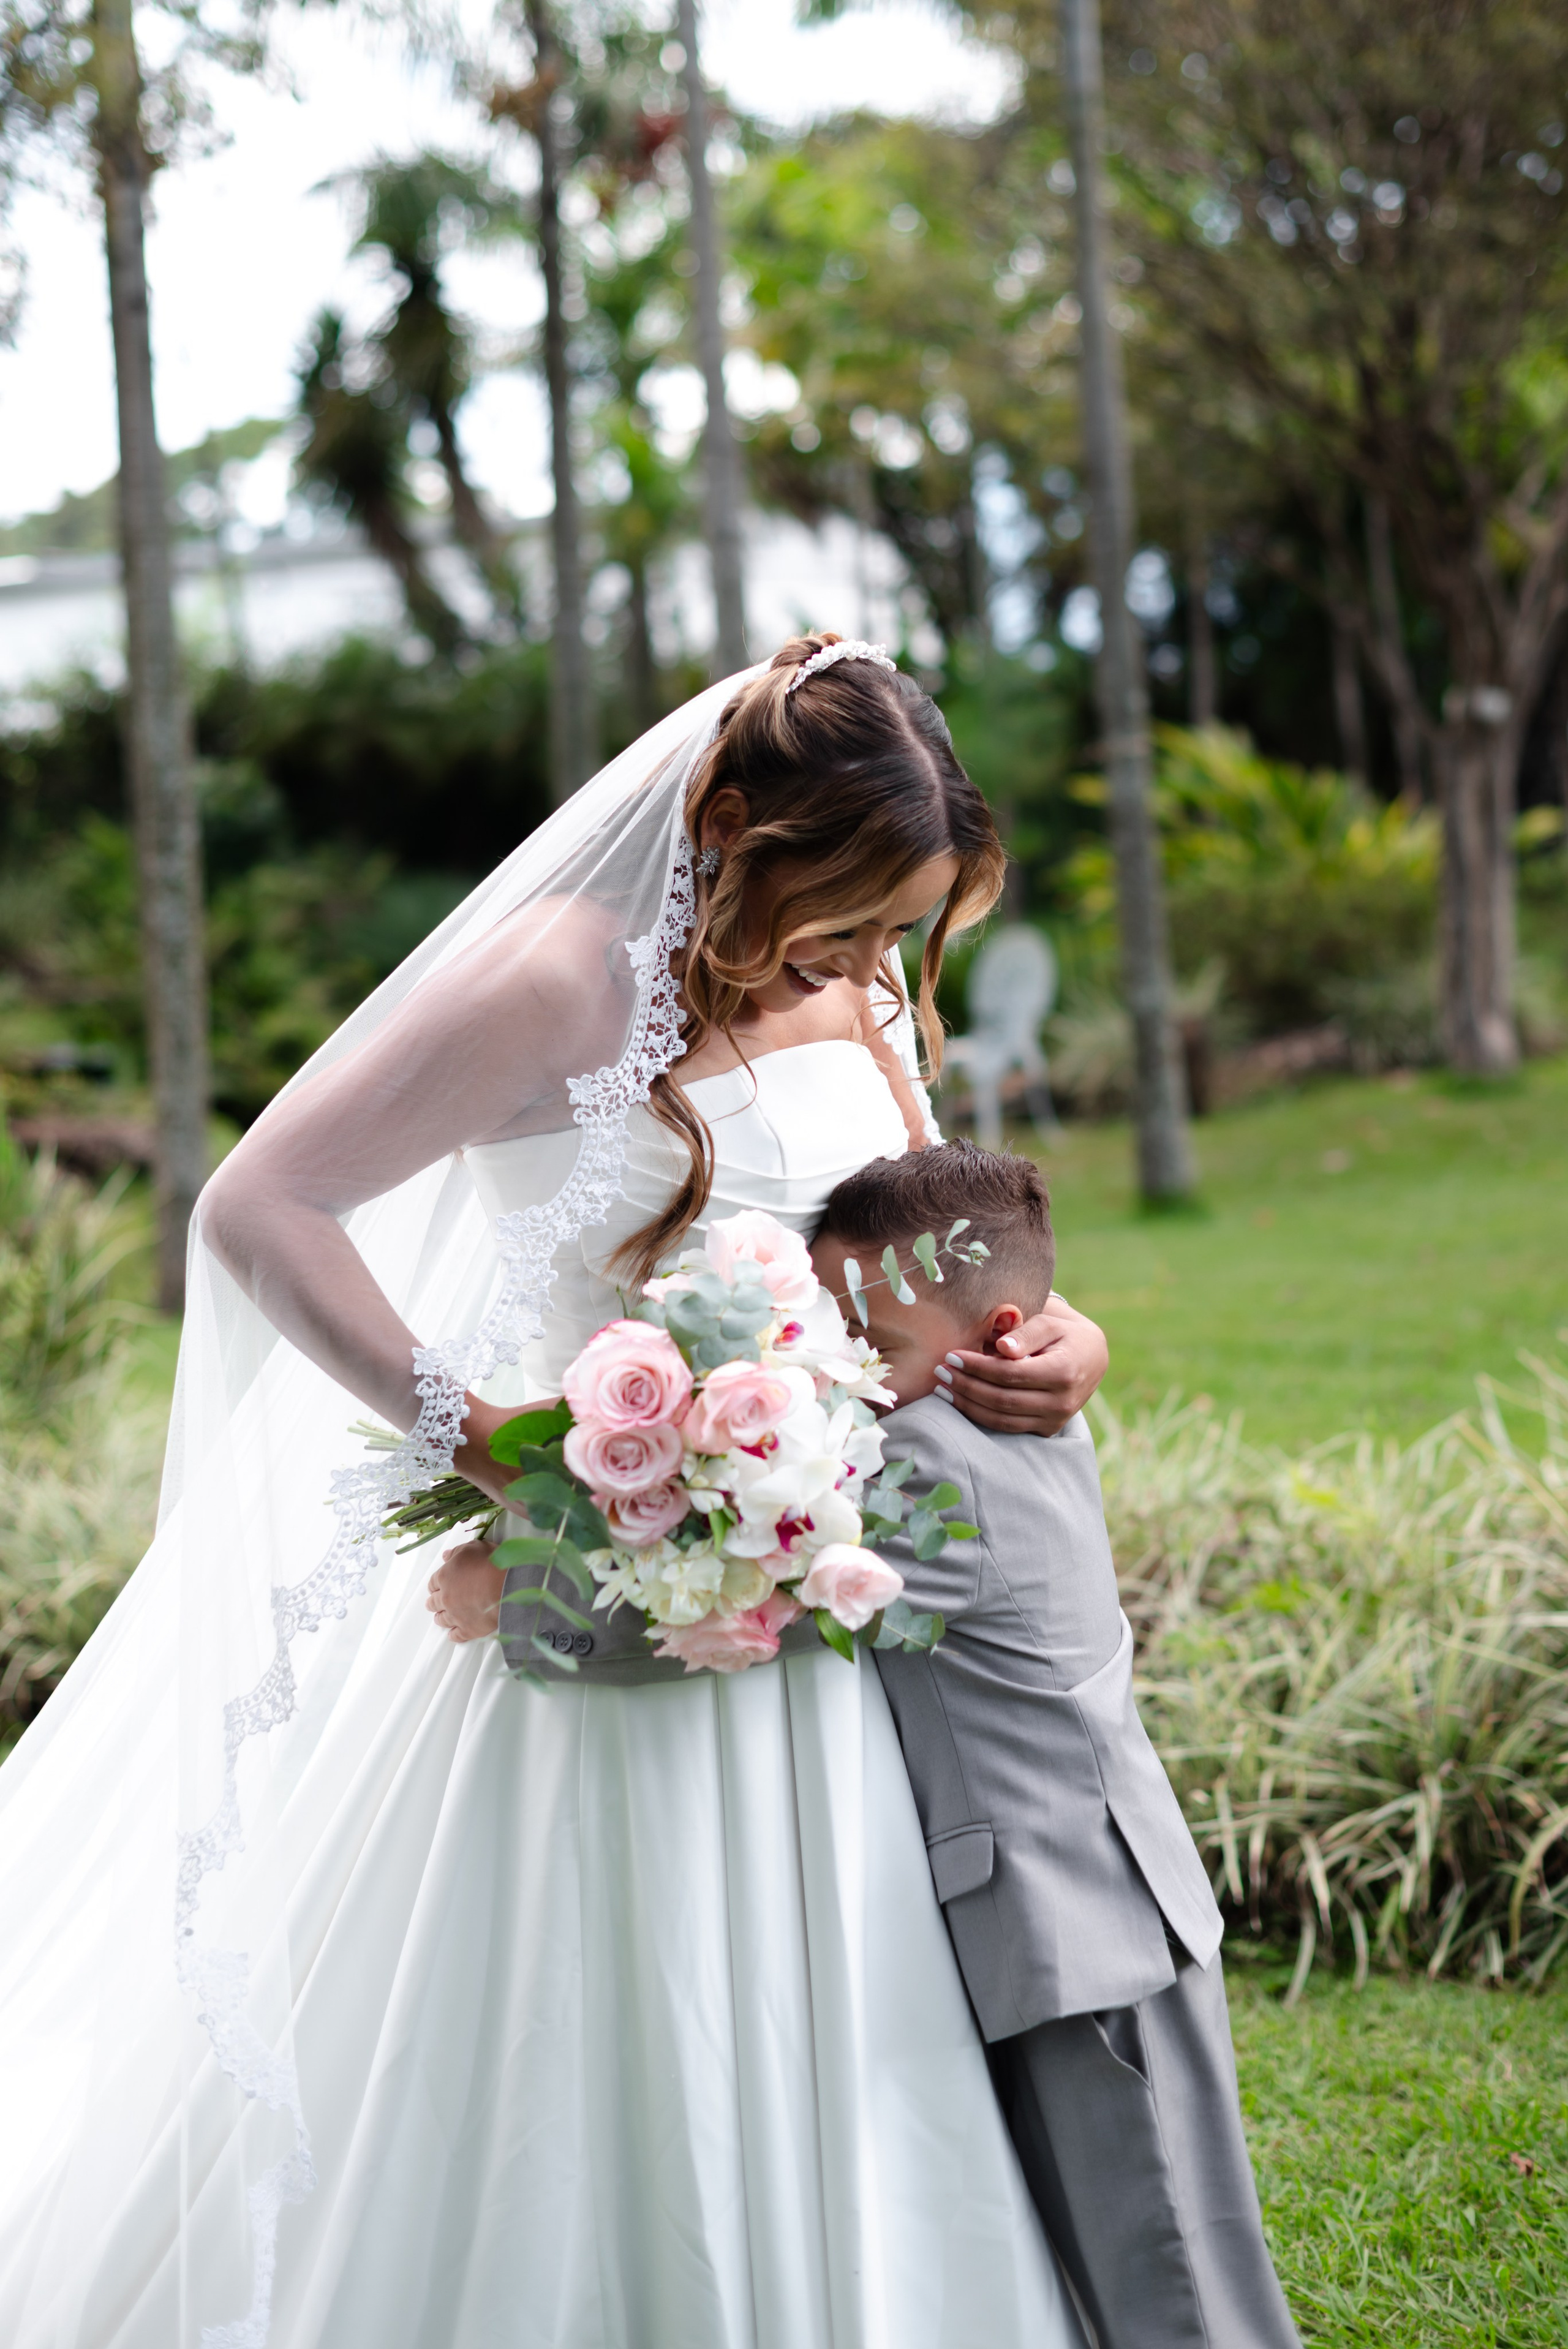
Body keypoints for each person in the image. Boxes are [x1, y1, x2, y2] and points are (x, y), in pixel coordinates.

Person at [0, 637, 1109, 2349]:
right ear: (729, 831)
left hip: (827, 1606)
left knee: (845, 2015)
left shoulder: (868, 979)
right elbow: (262, 1203)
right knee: (591, 2031)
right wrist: (491, 1440)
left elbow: (919, 1250)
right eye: (840, 921)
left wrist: (1063, 1333)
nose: (866, 963)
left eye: (895, 928)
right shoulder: (558, 982)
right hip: (600, 1605)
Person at [810, 1142, 1302, 2349]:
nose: (839, 1375)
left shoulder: (927, 1456)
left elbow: (781, 1585)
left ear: (999, 1336)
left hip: (1081, 1928)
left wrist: (539, 1594)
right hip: (1098, 1898)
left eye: (869, 1344)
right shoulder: (1008, 1413)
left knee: (1170, 2277)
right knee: (1148, 2254)